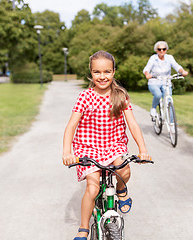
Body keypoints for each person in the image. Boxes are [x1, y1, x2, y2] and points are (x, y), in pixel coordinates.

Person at [62, 50, 151, 240]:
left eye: (107, 72)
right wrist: (67, 152)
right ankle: (84, 227)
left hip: (113, 145)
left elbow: (132, 124)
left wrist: (142, 150)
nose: (102, 77)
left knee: (124, 170)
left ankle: (121, 189)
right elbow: (71, 126)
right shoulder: (85, 97)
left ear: (113, 72)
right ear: (91, 73)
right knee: (93, 189)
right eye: (97, 72)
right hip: (88, 148)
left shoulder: (120, 96)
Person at [143, 41, 188, 117]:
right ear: (156, 50)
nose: (161, 51)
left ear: (166, 50)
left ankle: (172, 125)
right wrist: (147, 74)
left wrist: (182, 71)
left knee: (169, 101)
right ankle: (153, 108)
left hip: (166, 82)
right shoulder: (153, 58)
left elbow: (176, 66)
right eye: (159, 49)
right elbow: (146, 68)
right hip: (154, 82)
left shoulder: (169, 58)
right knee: (158, 94)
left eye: (164, 49)